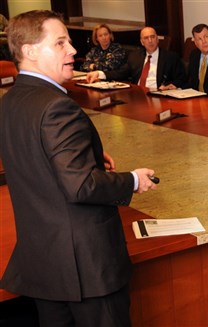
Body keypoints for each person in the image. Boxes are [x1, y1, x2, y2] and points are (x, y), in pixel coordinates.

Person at [0, 10, 158, 326]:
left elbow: (35, 157)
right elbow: (80, 186)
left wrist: (87, 154)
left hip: (45, 263)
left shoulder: (11, 99)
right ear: (30, 51)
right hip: (86, 268)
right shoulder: (57, 105)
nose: (73, 50)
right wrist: (131, 181)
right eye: (60, 43)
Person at [87, 26, 186, 90]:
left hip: (159, 94)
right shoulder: (135, 56)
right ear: (142, 42)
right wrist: (99, 73)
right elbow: (120, 73)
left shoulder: (171, 57)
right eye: (146, 38)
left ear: (157, 39)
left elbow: (182, 78)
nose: (150, 41)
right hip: (138, 95)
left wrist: (171, 85)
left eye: (153, 37)